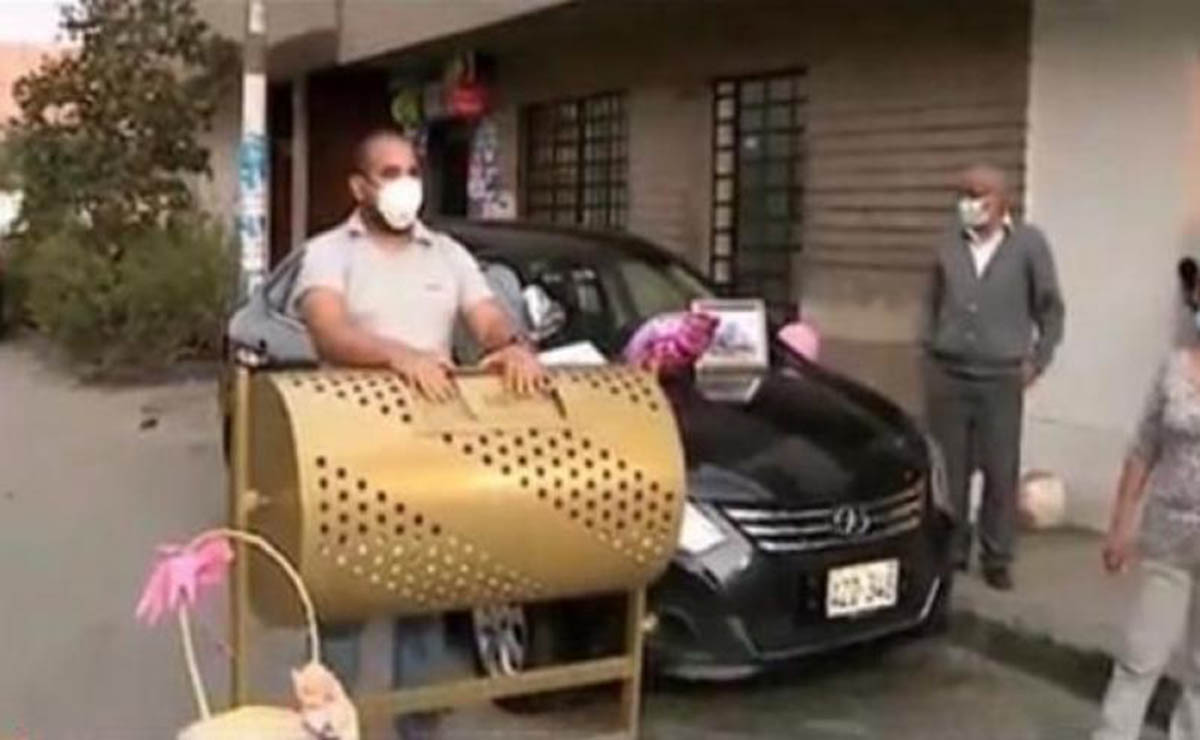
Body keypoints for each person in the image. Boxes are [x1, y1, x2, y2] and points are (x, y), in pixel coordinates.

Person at [291, 128, 546, 739]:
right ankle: (329, 731)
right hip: (349, 459)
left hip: (431, 458)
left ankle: (417, 733)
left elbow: (487, 317)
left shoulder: (447, 255)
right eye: (389, 173)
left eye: (411, 171)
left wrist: (511, 346)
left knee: (425, 615)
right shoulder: (328, 254)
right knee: (342, 618)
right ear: (359, 187)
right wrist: (399, 356)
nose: (405, 184)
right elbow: (329, 331)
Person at [923, 164, 1065, 591]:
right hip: (949, 373)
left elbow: (1050, 309)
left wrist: (1037, 360)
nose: (969, 202)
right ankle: (952, 549)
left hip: (1001, 376)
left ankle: (997, 555)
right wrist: (928, 349)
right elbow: (931, 302)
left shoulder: (1028, 244)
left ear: (1003, 200)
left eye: (979, 194)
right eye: (964, 193)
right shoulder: (948, 243)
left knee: (1000, 470)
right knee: (950, 470)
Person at [1094, 258, 1200, 740]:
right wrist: (1121, 525)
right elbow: (1143, 449)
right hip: (1168, 536)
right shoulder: (1173, 368)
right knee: (1140, 654)